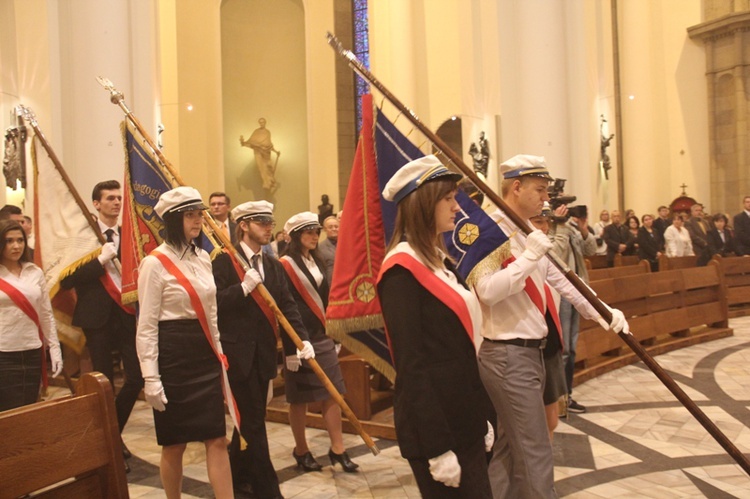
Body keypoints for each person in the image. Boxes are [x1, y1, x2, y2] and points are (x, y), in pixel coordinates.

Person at [474, 154, 630, 498]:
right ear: (516, 187)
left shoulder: (528, 229)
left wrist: (605, 313)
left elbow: (565, 282)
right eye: (540, 190)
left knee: (509, 450)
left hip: (531, 355)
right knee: (535, 451)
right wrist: (528, 258)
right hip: (507, 355)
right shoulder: (487, 231)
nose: (546, 198)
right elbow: (487, 292)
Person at [377, 155, 494, 497]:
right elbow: (412, 366)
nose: (456, 207)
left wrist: (480, 416)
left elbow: (461, 347)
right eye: (447, 199)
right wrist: (437, 447)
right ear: (423, 203)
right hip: (436, 426)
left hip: (463, 415)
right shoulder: (401, 271)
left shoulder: (440, 262)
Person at [136, 186, 233, 499]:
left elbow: (213, 313)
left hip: (203, 352)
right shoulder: (154, 263)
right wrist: (150, 378)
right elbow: (146, 325)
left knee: (217, 437)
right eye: (190, 215)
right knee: (174, 443)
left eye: (199, 214)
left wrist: (219, 356)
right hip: (173, 355)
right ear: (174, 220)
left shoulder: (203, 257)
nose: (198, 221)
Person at [212, 200, 306, 498]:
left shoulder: (273, 265)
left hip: (263, 354)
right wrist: (242, 288)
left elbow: (287, 308)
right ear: (243, 225)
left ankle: (237, 472)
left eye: (270, 222)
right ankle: (269, 490)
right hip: (237, 356)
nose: (269, 227)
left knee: (249, 419)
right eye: (261, 222)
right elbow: (212, 304)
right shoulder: (224, 261)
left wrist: (299, 345)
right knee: (252, 421)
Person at [59, 180, 142, 465]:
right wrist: (100, 261)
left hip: (126, 313)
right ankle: (111, 441)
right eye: (110, 198)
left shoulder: (127, 234)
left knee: (137, 377)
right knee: (104, 380)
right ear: (96, 204)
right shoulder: (84, 237)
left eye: (119, 198)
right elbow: (67, 279)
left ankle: (110, 433)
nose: (116, 203)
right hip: (97, 317)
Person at [280, 211, 359, 473]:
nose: (315, 236)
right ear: (295, 236)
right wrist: (292, 349)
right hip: (300, 340)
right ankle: (301, 450)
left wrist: (334, 333)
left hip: (322, 337)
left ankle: (338, 448)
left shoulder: (317, 259)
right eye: (309, 232)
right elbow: (285, 307)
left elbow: (325, 299)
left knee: (333, 393)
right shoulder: (285, 264)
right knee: (299, 398)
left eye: (316, 232)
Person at [0, 220, 63, 411]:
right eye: (9, 241)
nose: (16, 246)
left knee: (29, 411)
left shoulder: (34, 272)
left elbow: (46, 313)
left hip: (32, 352)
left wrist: (54, 347)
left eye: (20, 240)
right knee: (8, 412)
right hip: (4, 353)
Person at [548, 204, 597, 415]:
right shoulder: (549, 230)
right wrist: (558, 225)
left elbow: (591, 250)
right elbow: (555, 254)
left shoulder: (571, 228)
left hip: (579, 290)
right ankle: (560, 399)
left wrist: (584, 229)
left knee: (573, 348)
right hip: (563, 294)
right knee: (564, 348)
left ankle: (568, 395)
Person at [530, 211, 567, 441]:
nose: (544, 228)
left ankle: (544, 471)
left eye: (547, 223)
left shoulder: (548, 257)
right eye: (538, 222)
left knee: (550, 419)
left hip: (549, 343)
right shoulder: (513, 257)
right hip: (525, 347)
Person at [240, 117, 280, 191]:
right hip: (257, 151)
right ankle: (266, 183)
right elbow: (251, 141)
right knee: (261, 167)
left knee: (268, 166)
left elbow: (269, 143)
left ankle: (271, 181)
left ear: (265, 123)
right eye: (260, 122)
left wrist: (276, 151)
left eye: (263, 122)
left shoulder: (267, 132)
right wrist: (242, 142)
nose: (262, 123)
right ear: (259, 123)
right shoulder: (256, 131)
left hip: (266, 152)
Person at [318, 216, 339, 284]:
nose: (334, 229)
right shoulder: (320, 248)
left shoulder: (347, 245)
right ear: (325, 229)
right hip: (330, 285)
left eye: (336, 226)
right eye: (330, 227)